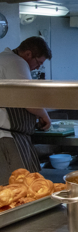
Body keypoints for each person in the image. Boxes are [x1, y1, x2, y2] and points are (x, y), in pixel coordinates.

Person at [0, 36, 52, 185]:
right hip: (7, 136)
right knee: (20, 187)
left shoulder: (4, 58)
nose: (37, 67)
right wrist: (44, 116)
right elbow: (28, 100)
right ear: (28, 54)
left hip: (11, 135)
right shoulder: (16, 62)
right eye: (38, 62)